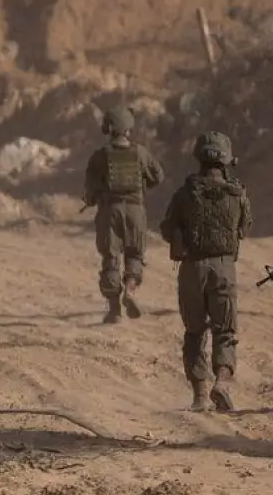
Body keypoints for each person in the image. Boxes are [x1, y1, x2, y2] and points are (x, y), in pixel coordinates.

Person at [159, 131, 253, 412]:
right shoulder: (237, 193)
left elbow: (166, 228)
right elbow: (245, 228)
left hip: (192, 269)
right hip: (224, 268)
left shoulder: (185, 193)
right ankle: (222, 381)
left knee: (195, 331)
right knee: (225, 330)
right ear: (226, 160)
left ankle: (200, 395)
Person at [82, 106, 165, 324]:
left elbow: (89, 190)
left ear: (109, 129)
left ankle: (114, 310)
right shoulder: (140, 152)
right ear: (128, 130)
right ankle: (130, 289)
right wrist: (142, 186)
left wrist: (93, 198)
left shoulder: (100, 157)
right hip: (135, 211)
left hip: (110, 212)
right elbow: (158, 176)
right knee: (135, 256)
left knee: (111, 259)